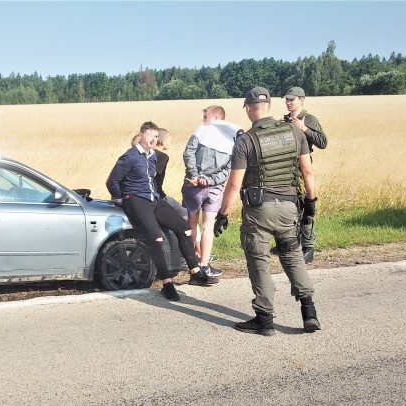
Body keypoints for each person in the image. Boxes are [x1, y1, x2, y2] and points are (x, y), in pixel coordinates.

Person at [214, 87, 321, 336]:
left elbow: (233, 184)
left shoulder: (246, 140)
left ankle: (264, 319)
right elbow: (307, 172)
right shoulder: (295, 130)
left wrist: (223, 214)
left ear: (249, 108)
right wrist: (311, 204)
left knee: (259, 259)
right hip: (288, 207)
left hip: (258, 209)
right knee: (293, 255)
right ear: (270, 105)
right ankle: (309, 312)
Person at [107, 121, 212, 301]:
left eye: (156, 136)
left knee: (185, 228)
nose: (154, 140)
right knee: (156, 239)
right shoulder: (129, 157)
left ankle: (195, 273)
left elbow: (153, 182)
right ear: (141, 136)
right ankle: (167, 284)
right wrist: (120, 199)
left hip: (154, 199)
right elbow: (112, 181)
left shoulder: (153, 156)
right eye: (150, 136)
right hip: (137, 200)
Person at [182, 106, 241, 280]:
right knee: (208, 226)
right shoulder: (232, 138)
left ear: (216, 117)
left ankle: (192, 263)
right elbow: (229, 168)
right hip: (215, 189)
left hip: (193, 186)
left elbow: (188, 153)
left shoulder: (202, 131)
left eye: (206, 116)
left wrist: (195, 175)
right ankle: (204, 264)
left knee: (192, 223)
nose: (203, 119)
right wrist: (211, 180)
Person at [282, 86, 328, 263]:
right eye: (286, 99)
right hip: (287, 169)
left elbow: (323, 142)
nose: (288, 102)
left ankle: (308, 247)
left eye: (291, 99)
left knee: (305, 206)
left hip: (302, 168)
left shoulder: (309, 119)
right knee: (291, 206)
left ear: (302, 99)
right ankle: (293, 243)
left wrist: (304, 128)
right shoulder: (285, 120)